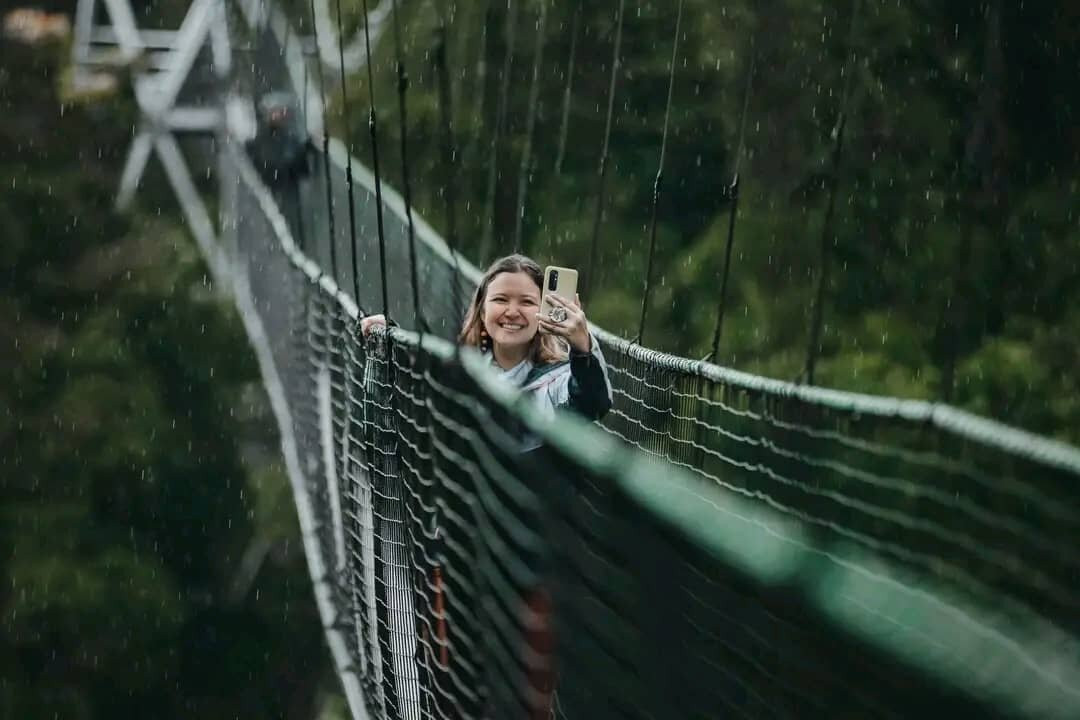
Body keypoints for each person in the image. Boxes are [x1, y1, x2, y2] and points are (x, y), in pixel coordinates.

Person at [361, 253, 613, 424]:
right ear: (482, 310)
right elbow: (401, 406)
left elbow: (594, 403)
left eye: (527, 302)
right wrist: (388, 342)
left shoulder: (558, 382)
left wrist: (582, 346)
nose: (512, 312)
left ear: (542, 312)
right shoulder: (461, 372)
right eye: (500, 299)